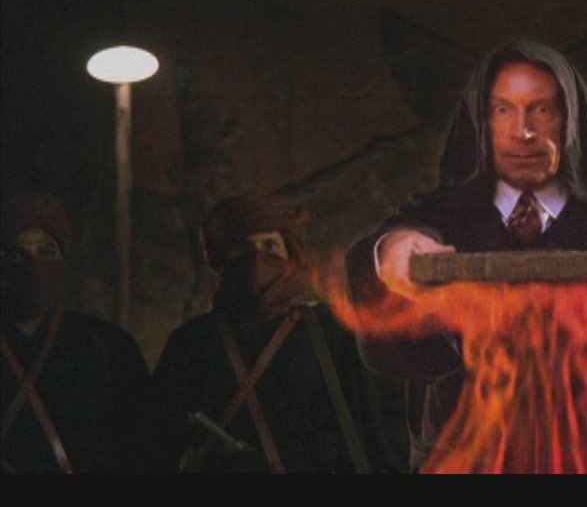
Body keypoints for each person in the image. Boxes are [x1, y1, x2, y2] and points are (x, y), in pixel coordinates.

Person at [345, 41, 587, 472]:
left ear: (571, 119)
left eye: (543, 110)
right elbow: (392, 253)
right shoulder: (441, 218)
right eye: (503, 110)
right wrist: (390, 254)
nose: (524, 132)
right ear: (480, 121)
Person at [149, 191, 400, 473]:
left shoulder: (333, 334)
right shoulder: (192, 344)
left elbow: (376, 441)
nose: (257, 259)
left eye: (270, 245)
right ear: (223, 258)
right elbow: (155, 447)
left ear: (290, 254)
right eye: (242, 248)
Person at [2, 192, 149, 473]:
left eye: (47, 251)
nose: (34, 265)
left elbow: (142, 449)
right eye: (18, 254)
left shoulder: (111, 347)